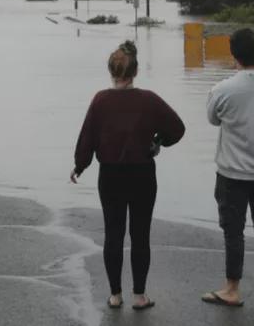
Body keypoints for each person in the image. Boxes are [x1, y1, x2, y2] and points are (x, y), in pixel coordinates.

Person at [71, 41, 185, 311]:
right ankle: (139, 296)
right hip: (142, 174)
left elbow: (87, 137)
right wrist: (158, 141)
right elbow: (178, 129)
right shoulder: (149, 100)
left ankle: (114, 295)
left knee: (113, 233)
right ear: (134, 73)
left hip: (110, 175)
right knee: (140, 234)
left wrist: (80, 165)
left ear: (111, 71)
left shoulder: (100, 100)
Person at [202, 28, 254, 308]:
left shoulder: (224, 88)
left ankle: (232, 289)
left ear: (233, 53)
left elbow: (213, 119)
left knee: (233, 231)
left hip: (232, 173)